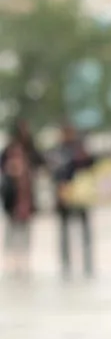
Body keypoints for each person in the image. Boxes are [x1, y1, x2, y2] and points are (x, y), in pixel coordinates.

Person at [50, 122, 96, 279]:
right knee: (65, 232)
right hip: (65, 195)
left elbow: (90, 164)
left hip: (79, 194)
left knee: (84, 230)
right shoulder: (59, 150)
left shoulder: (79, 149)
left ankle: (87, 262)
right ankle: (66, 264)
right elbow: (56, 172)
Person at [1, 119, 43, 279]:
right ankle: (11, 260)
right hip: (12, 195)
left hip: (26, 195)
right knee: (12, 229)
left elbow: (41, 164)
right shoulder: (8, 150)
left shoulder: (30, 150)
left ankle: (24, 259)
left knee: (25, 229)